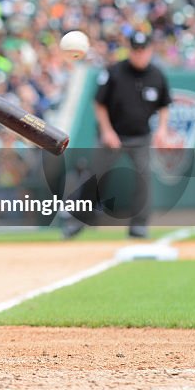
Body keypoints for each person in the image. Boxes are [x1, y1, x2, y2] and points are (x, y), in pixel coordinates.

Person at [63, 31, 172, 239]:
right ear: (130, 50)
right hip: (113, 135)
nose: (139, 54)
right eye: (136, 50)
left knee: (144, 179)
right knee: (94, 177)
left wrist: (162, 129)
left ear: (150, 51)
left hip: (140, 137)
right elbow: (99, 103)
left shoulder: (157, 75)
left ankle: (138, 226)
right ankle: (77, 221)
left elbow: (164, 105)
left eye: (143, 50)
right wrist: (107, 131)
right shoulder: (115, 72)